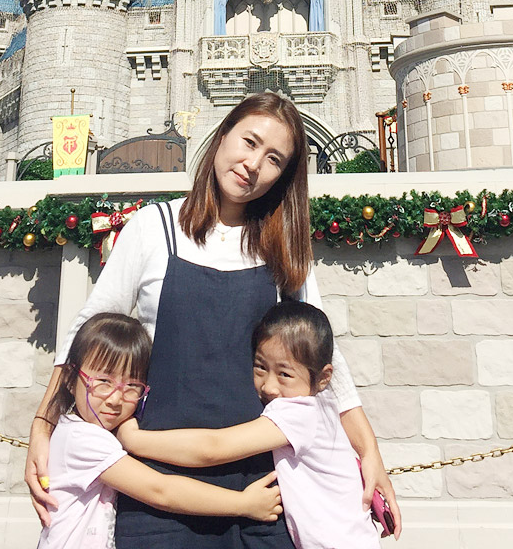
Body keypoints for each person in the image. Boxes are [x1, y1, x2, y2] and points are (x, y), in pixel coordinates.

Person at [26, 92, 401, 547]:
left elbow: (325, 358)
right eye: (249, 142)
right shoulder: (152, 227)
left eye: (274, 159)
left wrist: (370, 451)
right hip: (160, 483)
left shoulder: (282, 247)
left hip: (262, 488)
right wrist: (43, 426)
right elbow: (88, 329)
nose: (253, 164)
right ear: (223, 135)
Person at [117, 301, 394, 548]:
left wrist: (135, 441)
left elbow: (213, 448)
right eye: (260, 367)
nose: (269, 386)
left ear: (323, 378)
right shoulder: (325, 403)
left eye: (285, 374)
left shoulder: (299, 413)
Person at [38, 312, 282, 548]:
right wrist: (243, 503)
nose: (115, 399)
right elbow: (160, 490)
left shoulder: (87, 432)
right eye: (103, 382)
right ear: (69, 379)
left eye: (131, 386)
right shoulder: (82, 439)